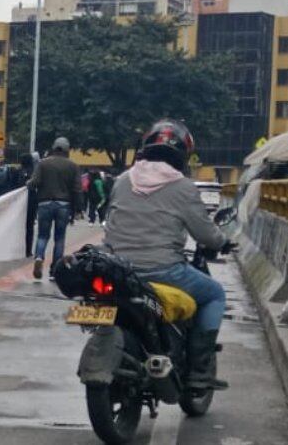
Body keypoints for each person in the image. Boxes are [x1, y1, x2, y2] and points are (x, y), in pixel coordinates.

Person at [103, 120, 229, 392]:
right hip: (163, 270)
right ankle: (199, 369)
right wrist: (224, 242)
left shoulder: (122, 180)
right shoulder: (183, 186)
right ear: (183, 154)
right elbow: (206, 234)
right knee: (215, 294)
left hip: (118, 269)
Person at [29, 137, 82, 279]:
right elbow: (77, 189)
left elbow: (35, 182)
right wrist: (78, 209)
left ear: (54, 148)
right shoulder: (73, 166)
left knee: (42, 235)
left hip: (44, 203)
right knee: (59, 238)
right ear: (67, 150)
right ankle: (55, 271)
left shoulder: (43, 163)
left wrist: (28, 184)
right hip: (63, 205)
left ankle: (39, 257)